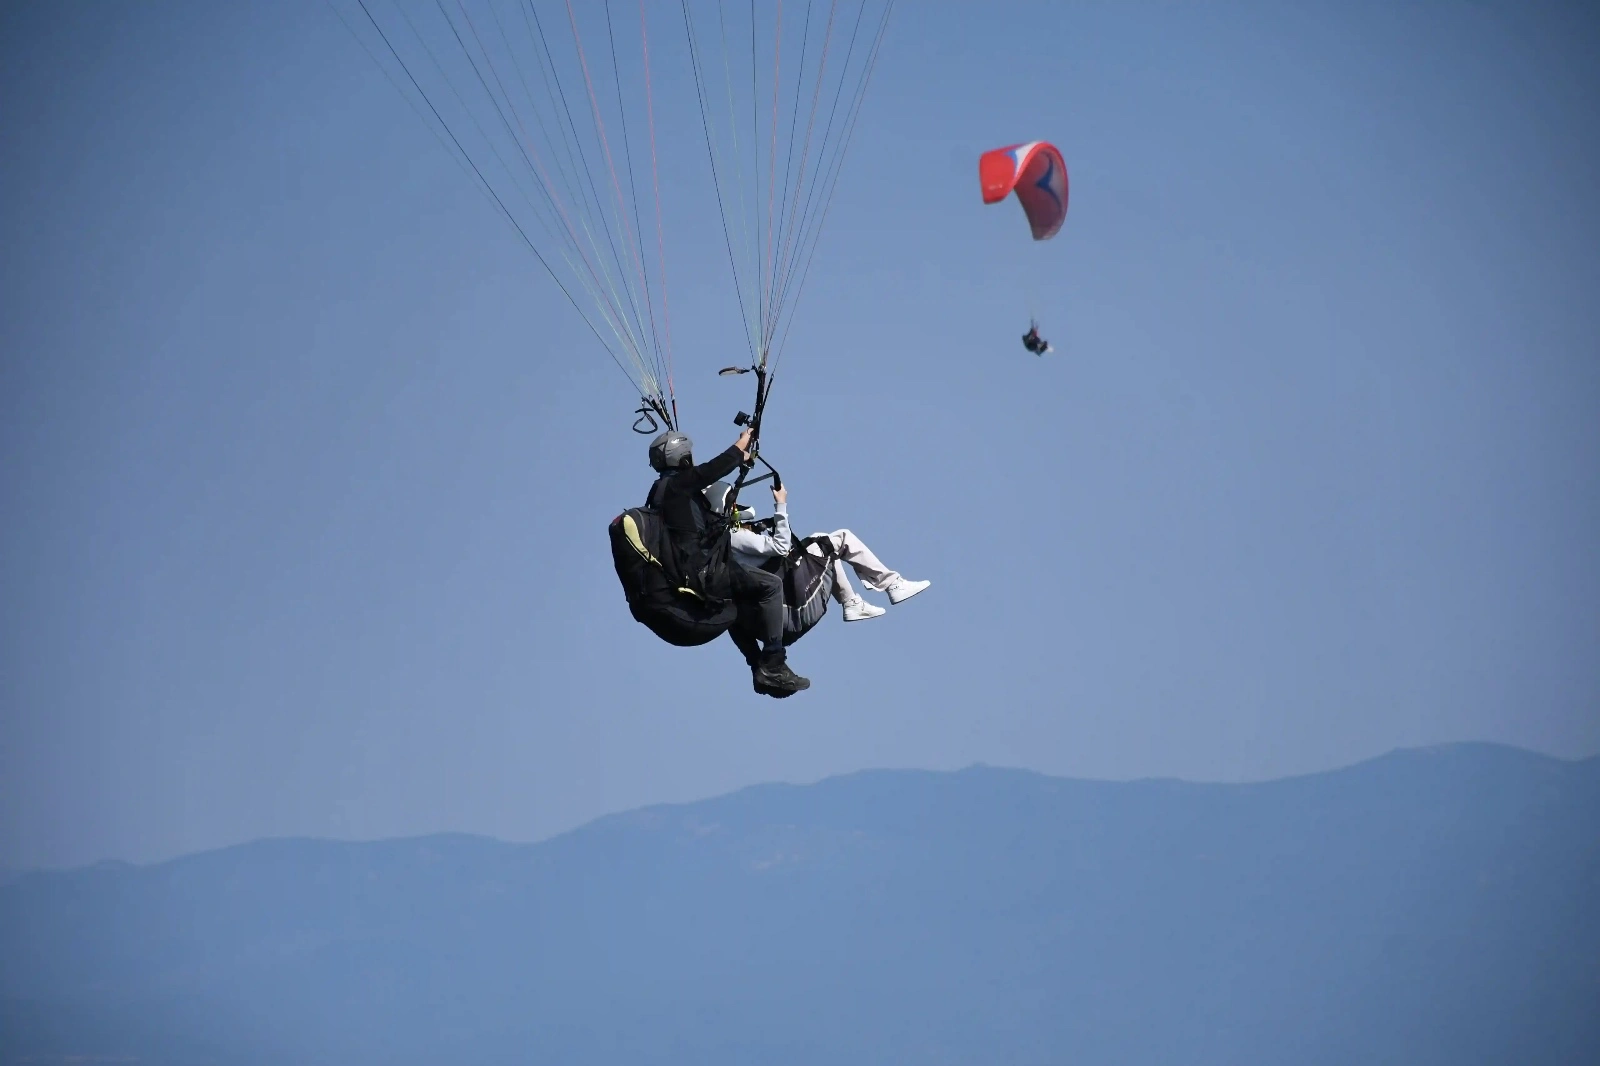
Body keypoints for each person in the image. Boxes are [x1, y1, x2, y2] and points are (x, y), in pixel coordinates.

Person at [647, 428, 810, 698]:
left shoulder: (660, 492)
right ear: (683, 459)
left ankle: (757, 666)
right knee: (769, 585)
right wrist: (741, 443)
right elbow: (713, 469)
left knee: (733, 603)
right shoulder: (678, 485)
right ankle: (773, 661)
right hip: (704, 573)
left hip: (685, 574)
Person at [705, 480, 931, 624]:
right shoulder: (733, 537)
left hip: (782, 577)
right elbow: (781, 547)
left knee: (825, 543)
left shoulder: (728, 540)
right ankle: (892, 585)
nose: (735, 508)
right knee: (841, 538)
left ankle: (851, 602)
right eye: (732, 505)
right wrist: (780, 505)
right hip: (786, 580)